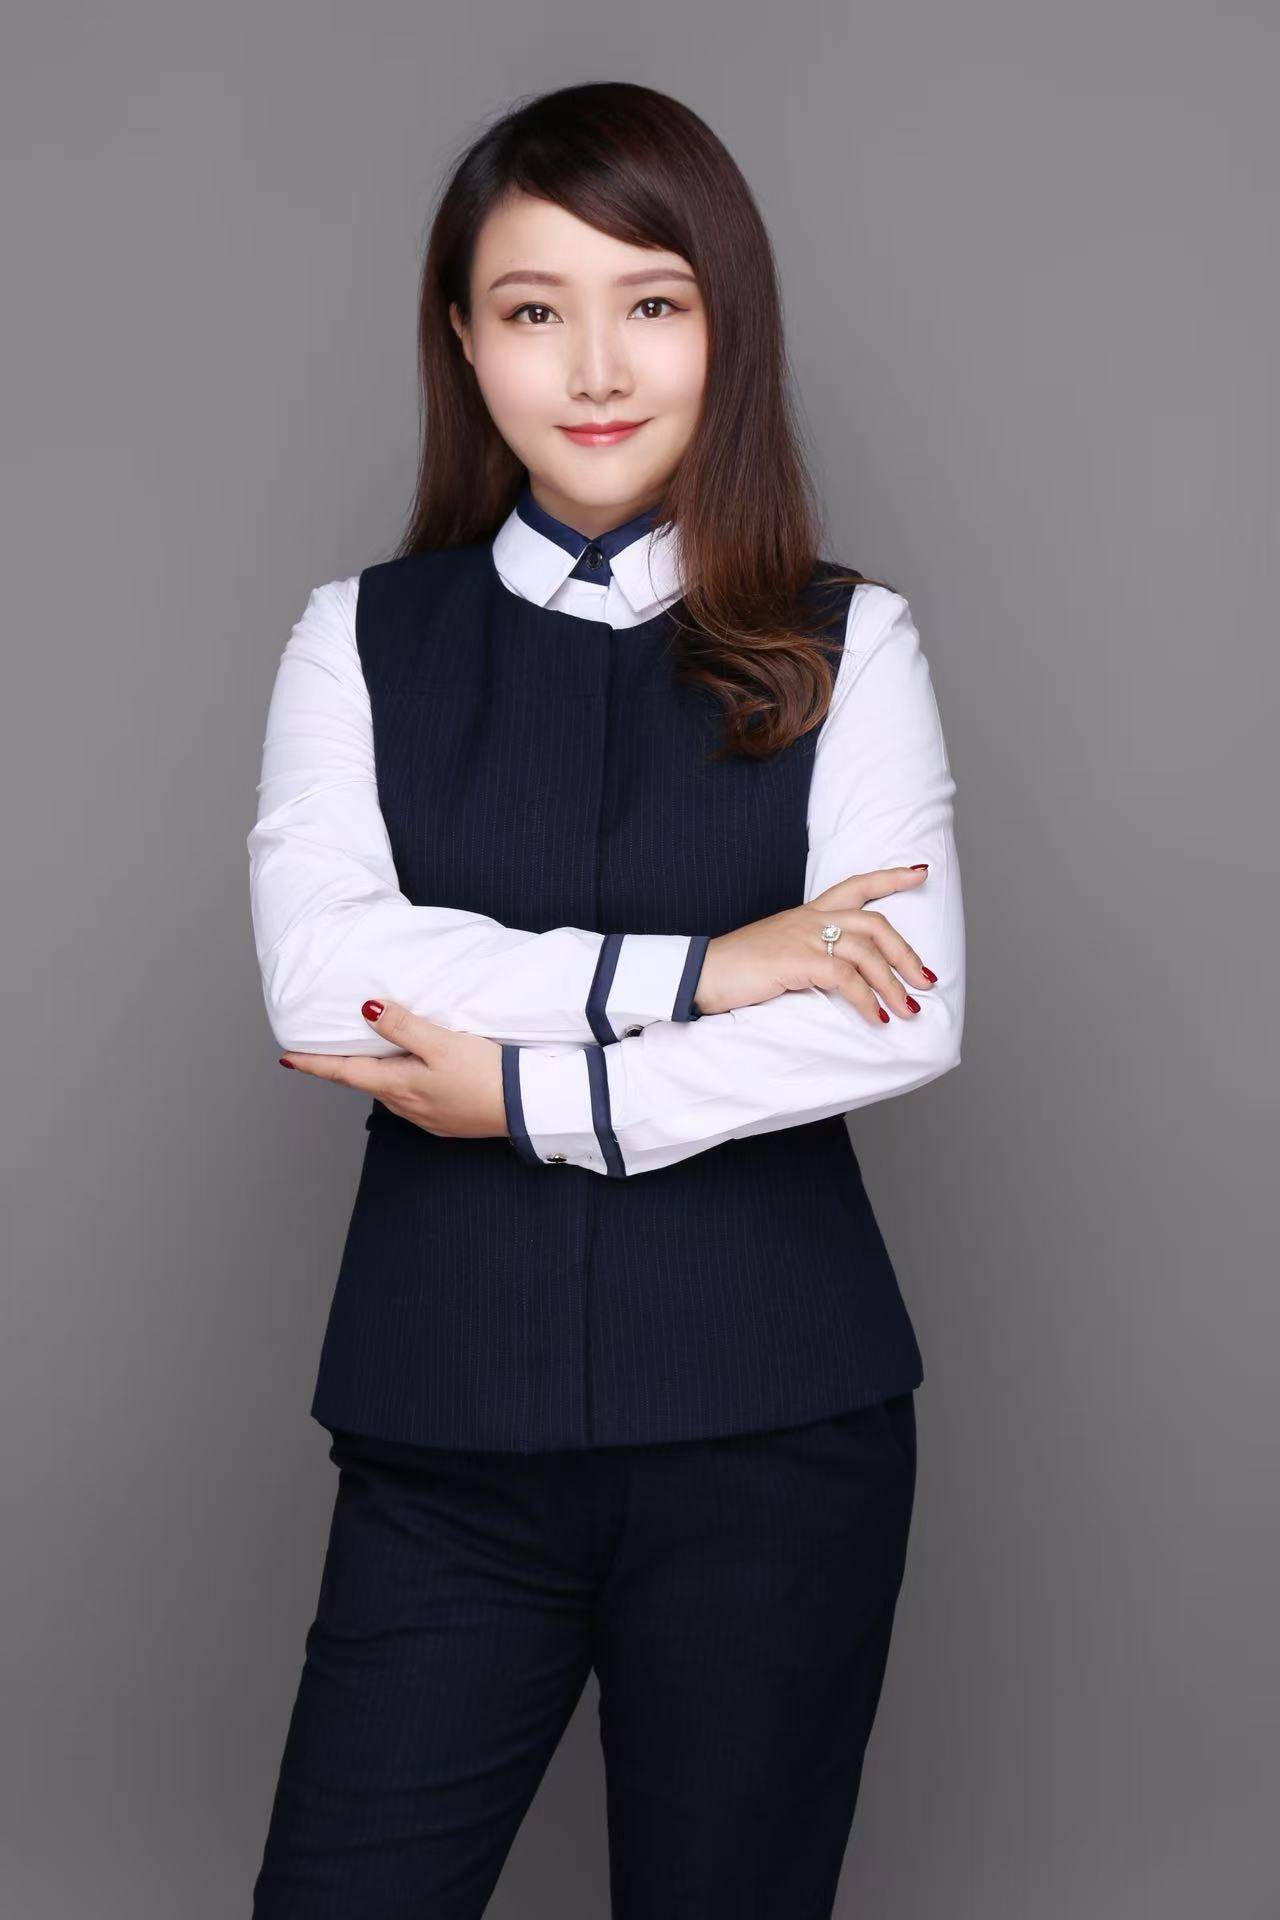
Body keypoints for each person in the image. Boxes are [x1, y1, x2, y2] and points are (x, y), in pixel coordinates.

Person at [246, 78, 965, 1920]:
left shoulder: (850, 640)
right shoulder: (358, 638)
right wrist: (714, 969)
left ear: (729, 327)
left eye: (652, 301)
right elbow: (328, 980)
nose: (594, 365)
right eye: (531, 307)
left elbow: (898, 1011)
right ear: (462, 338)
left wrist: (528, 1096)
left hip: (773, 1431)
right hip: (443, 1430)